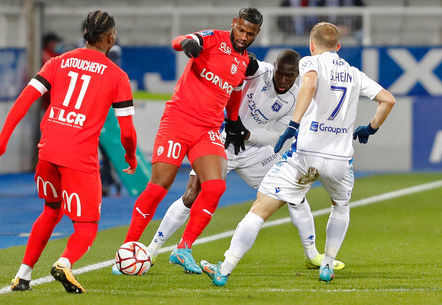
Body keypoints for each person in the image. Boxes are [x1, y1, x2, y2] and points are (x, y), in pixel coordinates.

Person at [200, 21, 395, 286]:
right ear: (338, 46)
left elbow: (311, 84)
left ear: (312, 45)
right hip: (340, 159)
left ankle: (224, 269)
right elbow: (388, 100)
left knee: (260, 209)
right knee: (340, 207)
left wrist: (293, 123)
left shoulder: (309, 63)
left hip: (304, 154)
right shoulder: (354, 73)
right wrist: (370, 129)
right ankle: (326, 264)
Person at [146, 49, 345, 272]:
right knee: (192, 194)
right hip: (222, 140)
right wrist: (242, 60)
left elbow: (277, 135)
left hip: (255, 150)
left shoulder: (296, 99)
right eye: (279, 73)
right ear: (274, 67)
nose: (282, 79)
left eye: (289, 75)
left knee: (295, 194)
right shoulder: (260, 71)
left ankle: (312, 255)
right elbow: (245, 63)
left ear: (297, 75)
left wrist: (246, 134)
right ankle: (151, 251)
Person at [0, 10, 138, 293]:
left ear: (84, 35)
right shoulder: (117, 76)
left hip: (47, 153)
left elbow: (25, 99)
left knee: (50, 210)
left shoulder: (58, 62)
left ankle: (22, 276)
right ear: (111, 38)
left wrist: (2, 141)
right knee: (87, 226)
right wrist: (129, 156)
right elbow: (127, 132)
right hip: (79, 159)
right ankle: (64, 263)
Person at [114, 7, 263, 275]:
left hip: (207, 129)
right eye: (241, 30)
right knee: (160, 186)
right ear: (234, 23)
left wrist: (233, 120)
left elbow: (233, 93)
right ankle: (128, 249)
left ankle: (183, 248)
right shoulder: (213, 38)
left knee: (215, 186)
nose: (244, 36)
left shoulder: (245, 62)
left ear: (257, 34)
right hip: (179, 121)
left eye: (250, 34)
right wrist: (186, 43)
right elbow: (179, 39)